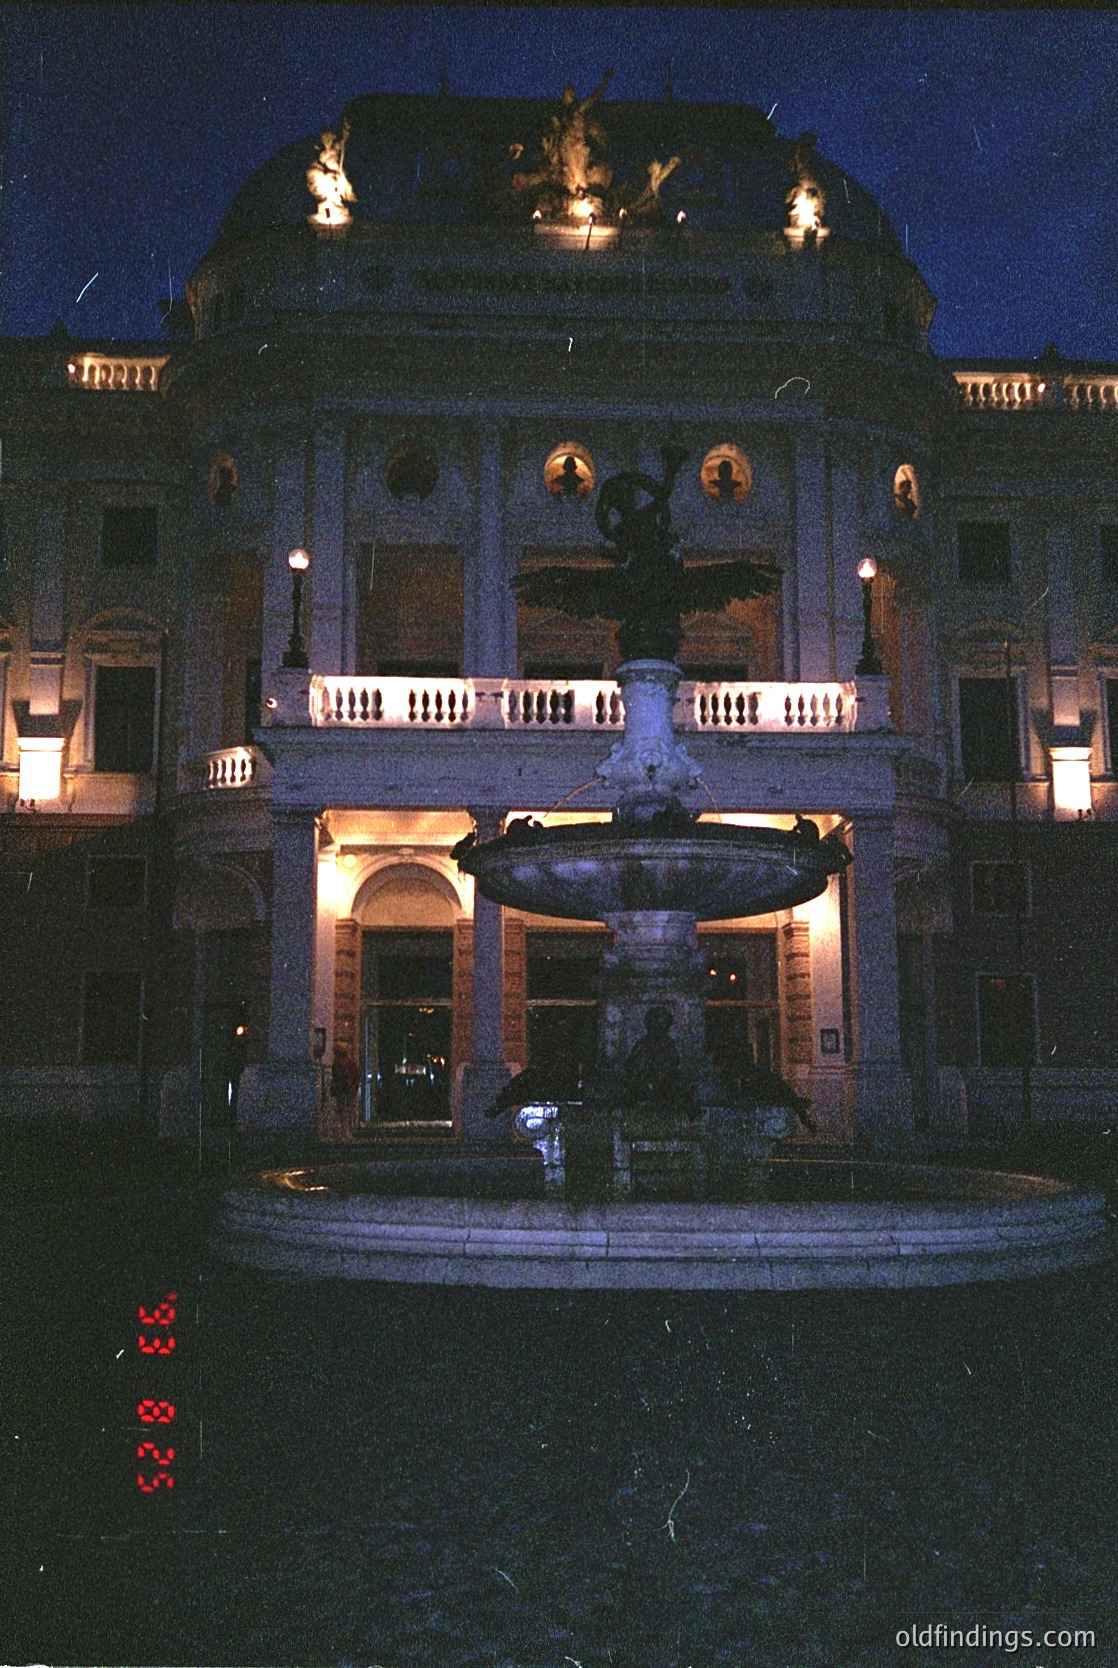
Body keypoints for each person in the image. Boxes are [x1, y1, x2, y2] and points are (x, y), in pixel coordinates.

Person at [330, 1042, 361, 1140]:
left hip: (343, 1090)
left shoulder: (338, 1063)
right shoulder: (350, 1062)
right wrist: (353, 1087)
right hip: (348, 1090)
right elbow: (356, 1076)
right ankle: (348, 1132)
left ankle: (344, 1132)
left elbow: (338, 1077)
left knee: (343, 1112)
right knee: (348, 1112)